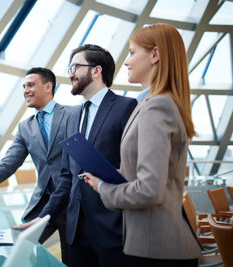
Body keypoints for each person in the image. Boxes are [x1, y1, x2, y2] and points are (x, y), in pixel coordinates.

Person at [84, 24, 202, 266]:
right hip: (154, 246)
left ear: (155, 55)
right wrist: (110, 176)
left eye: (132, 52)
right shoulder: (155, 103)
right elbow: (146, 176)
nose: (126, 62)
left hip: (157, 251)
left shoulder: (158, 106)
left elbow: (149, 190)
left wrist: (104, 187)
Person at [14, 44, 137, 266]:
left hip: (112, 229)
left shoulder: (126, 107)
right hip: (76, 232)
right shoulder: (73, 117)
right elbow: (66, 176)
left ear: (96, 71)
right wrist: (43, 218)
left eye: (75, 67)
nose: (70, 74)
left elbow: (134, 167)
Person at [0, 67, 75, 265]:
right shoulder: (25, 126)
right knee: (26, 254)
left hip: (73, 202)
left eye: (31, 85)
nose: (25, 91)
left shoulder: (74, 114)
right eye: (24, 86)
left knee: (73, 260)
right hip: (43, 205)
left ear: (48, 87)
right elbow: (9, 163)